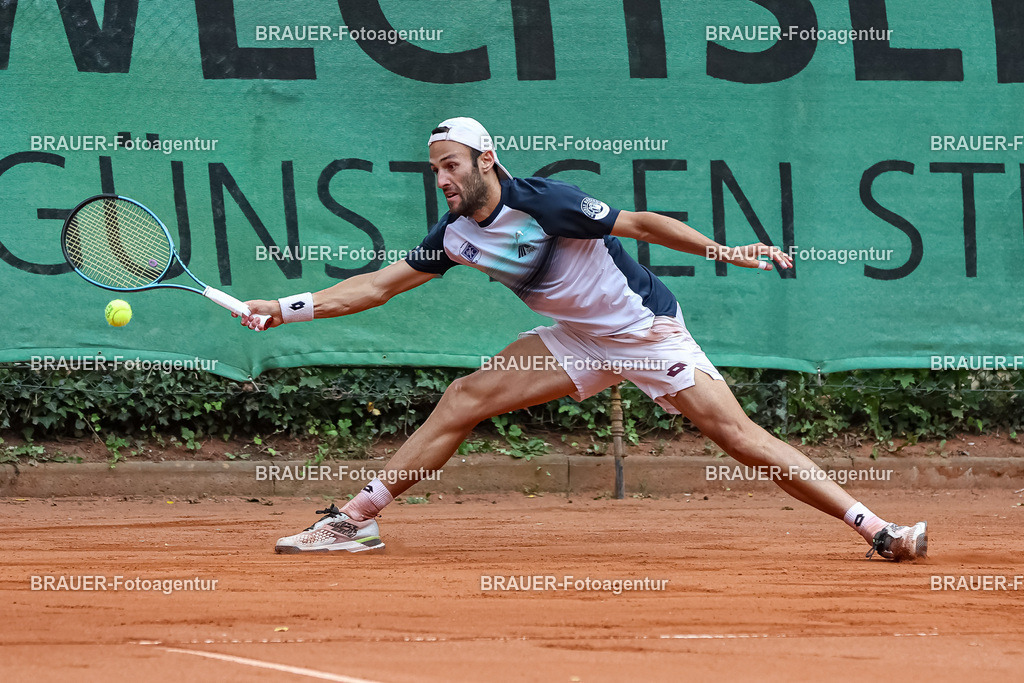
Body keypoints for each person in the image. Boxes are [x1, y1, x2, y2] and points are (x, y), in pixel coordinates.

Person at [241, 117, 927, 561]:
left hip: (647, 330)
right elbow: (377, 287)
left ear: (487, 159)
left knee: (739, 438)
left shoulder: (547, 201)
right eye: (435, 170)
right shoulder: (455, 237)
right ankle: (355, 520)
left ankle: (876, 529)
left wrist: (724, 249)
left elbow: (645, 225)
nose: (443, 179)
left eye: (451, 165)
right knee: (464, 397)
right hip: (577, 338)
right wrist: (283, 306)